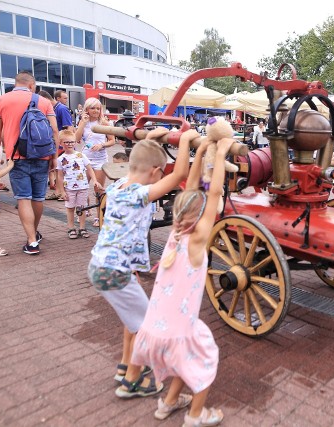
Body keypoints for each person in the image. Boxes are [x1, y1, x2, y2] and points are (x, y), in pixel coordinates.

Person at [131, 131, 233, 426]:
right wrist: (222, 152)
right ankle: (196, 415)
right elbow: (212, 194)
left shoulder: (176, 233)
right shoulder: (199, 239)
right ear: (200, 216)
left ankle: (169, 403)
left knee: (182, 359)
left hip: (158, 326)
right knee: (205, 358)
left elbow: (190, 190)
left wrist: (201, 153)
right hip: (180, 328)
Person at [87, 126, 190, 399]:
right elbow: (179, 175)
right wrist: (187, 141)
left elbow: (143, 160)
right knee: (149, 326)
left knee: (132, 319)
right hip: (116, 271)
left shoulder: (117, 187)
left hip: (101, 266)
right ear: (156, 173)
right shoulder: (140, 194)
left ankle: (125, 366)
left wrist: (152, 140)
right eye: (159, 172)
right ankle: (132, 382)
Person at [0, 71, 59, 255]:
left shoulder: (1, 101)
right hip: (42, 155)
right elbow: (54, 131)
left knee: (23, 198)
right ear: (31, 85)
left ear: (16, 83)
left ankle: (32, 241)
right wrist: (54, 157)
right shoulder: (43, 101)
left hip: (17, 157)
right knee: (37, 198)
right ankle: (33, 234)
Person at [75, 97, 116, 227]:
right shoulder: (83, 122)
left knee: (98, 188)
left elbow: (112, 141)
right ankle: (85, 211)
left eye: (98, 108)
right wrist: (82, 122)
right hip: (85, 159)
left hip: (100, 159)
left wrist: (101, 145)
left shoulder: (104, 123)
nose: (96, 111)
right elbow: (76, 139)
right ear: (87, 109)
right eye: (93, 108)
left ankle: (100, 216)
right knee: (82, 187)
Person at [56, 129, 101, 239]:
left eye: (72, 141)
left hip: (83, 187)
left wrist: (95, 180)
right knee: (70, 208)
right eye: (66, 142)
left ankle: (82, 227)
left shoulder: (81, 156)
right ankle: (71, 228)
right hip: (69, 188)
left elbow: (89, 169)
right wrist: (61, 191)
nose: (69, 144)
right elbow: (60, 176)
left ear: (75, 142)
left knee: (82, 208)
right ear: (61, 144)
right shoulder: (60, 159)